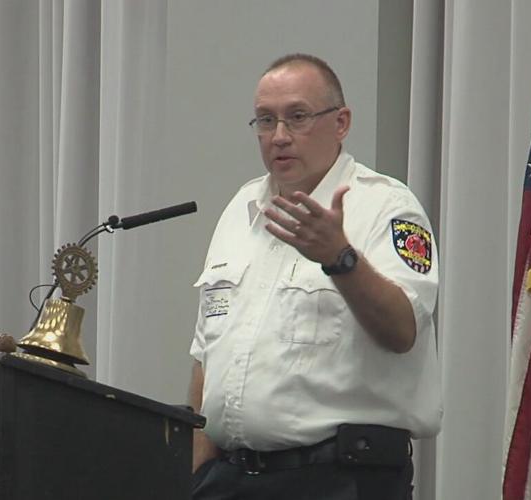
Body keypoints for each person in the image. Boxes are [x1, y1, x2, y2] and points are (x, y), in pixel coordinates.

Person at [188, 53, 440, 500]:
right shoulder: (241, 209)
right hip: (229, 479)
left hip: (339, 479)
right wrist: (194, 475)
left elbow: (403, 331)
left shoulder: (387, 207)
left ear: (340, 122)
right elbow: (208, 358)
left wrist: (339, 258)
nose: (279, 136)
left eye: (297, 117)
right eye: (265, 121)